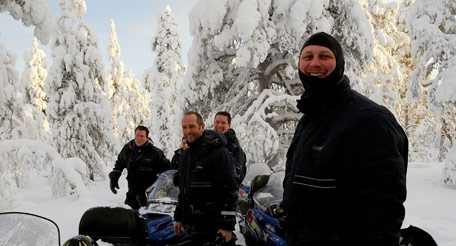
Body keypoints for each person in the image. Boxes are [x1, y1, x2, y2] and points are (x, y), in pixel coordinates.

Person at [281, 32, 408, 246]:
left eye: (324, 56)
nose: (314, 63)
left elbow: (383, 210)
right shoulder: (310, 119)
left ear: (339, 63)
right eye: (308, 57)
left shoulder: (368, 119)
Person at [174, 112, 238, 245]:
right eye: (184, 127)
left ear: (202, 127)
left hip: (212, 227)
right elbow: (183, 190)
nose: (188, 131)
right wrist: (179, 216)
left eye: (191, 126)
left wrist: (227, 224)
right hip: (190, 225)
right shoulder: (186, 156)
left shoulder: (219, 153)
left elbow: (230, 190)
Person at [109, 125, 171, 210]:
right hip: (132, 195)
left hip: (149, 197)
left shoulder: (155, 153)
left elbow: (167, 170)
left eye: (142, 136)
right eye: (137, 135)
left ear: (147, 138)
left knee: (145, 221)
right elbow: (120, 162)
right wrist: (114, 177)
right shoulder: (128, 149)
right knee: (128, 219)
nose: (139, 138)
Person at [213, 111, 247, 185]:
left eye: (223, 123)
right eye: (217, 122)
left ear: (229, 125)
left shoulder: (235, 149)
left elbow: (235, 177)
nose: (219, 125)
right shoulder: (207, 143)